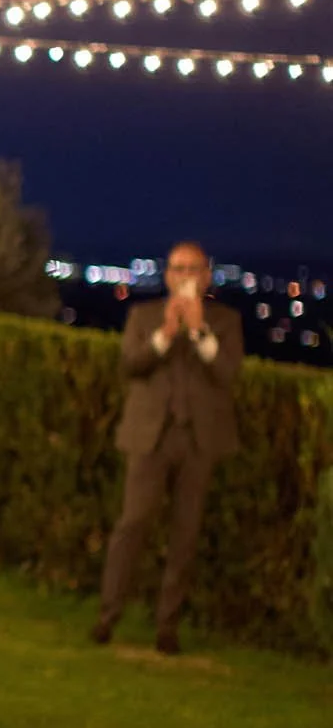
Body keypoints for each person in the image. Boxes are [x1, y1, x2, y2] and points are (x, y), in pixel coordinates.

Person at [92, 241, 243, 656]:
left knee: (185, 535)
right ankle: (108, 616)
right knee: (133, 524)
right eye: (179, 269)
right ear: (168, 275)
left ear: (207, 276)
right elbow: (130, 365)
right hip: (150, 438)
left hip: (198, 441)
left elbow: (228, 373)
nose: (187, 276)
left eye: (194, 269)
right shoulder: (142, 315)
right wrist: (167, 334)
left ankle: (167, 627)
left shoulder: (225, 321)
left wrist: (198, 331)